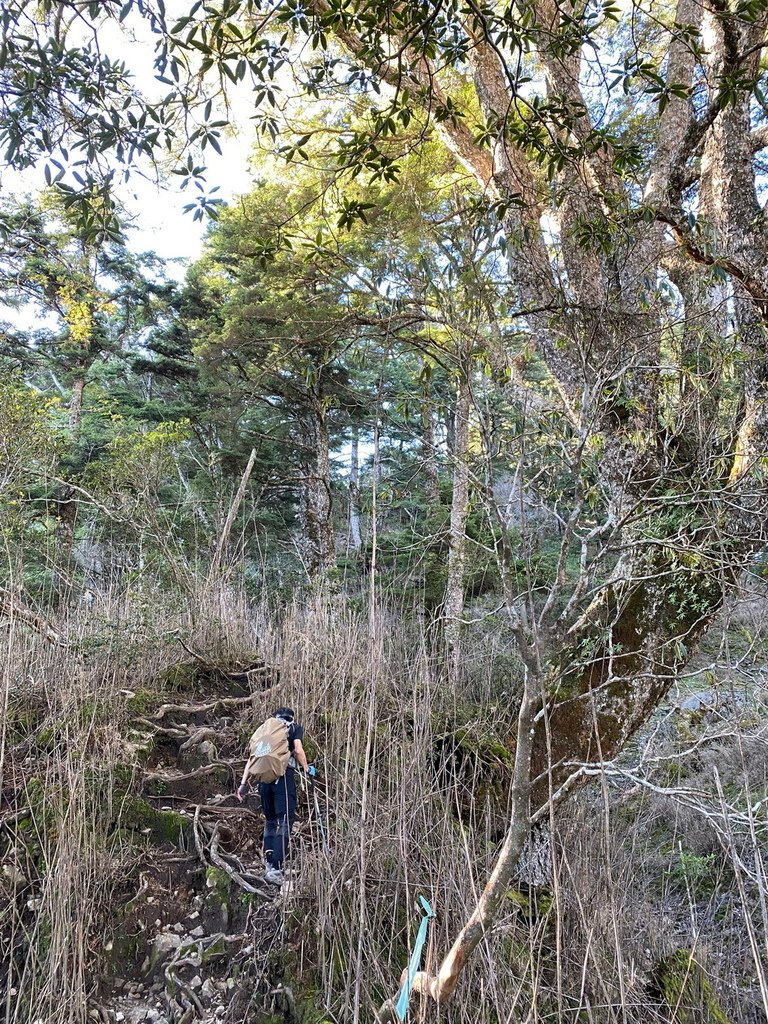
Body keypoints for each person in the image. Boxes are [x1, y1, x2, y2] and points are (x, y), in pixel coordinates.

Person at [235, 707, 309, 885]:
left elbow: (251, 760)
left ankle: (269, 863)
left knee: (270, 821)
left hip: (263, 782)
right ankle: (276, 868)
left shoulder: (264, 731)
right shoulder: (292, 728)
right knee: (285, 821)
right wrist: (307, 769)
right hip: (283, 779)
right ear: (291, 717)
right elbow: (298, 750)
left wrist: (243, 785)